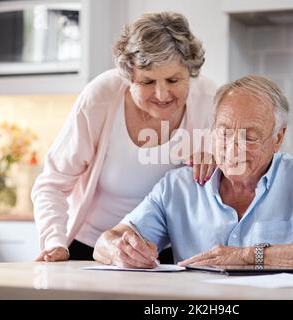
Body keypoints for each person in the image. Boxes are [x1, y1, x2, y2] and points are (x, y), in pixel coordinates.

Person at [93, 75, 293, 272]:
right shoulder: (179, 186)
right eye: (224, 132)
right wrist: (121, 251)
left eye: (250, 136)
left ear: (278, 138)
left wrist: (248, 256)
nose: (233, 147)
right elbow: (106, 243)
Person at [31, 12, 217, 262]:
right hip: (93, 247)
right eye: (148, 81)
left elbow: (235, 182)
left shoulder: (208, 101)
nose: (162, 94)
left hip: (172, 253)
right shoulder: (101, 98)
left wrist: (218, 164)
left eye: (173, 79)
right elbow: (52, 184)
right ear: (129, 77)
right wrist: (55, 241)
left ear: (191, 73)